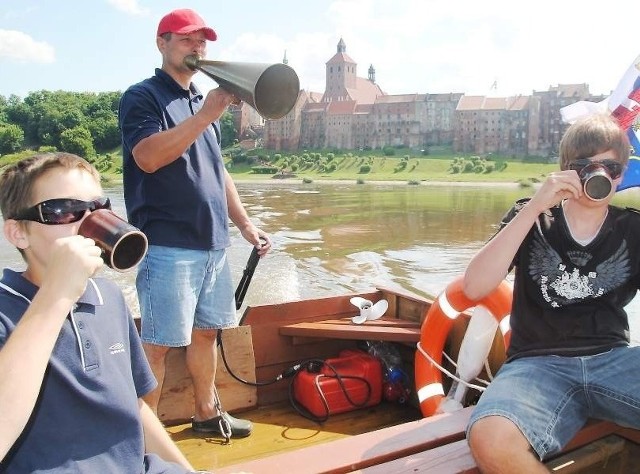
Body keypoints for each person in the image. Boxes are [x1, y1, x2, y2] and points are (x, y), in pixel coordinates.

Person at [118, 8, 271, 438]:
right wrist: (206, 115)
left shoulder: (200, 102)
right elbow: (147, 158)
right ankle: (142, 441)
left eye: (202, 40)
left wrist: (243, 225)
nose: (197, 47)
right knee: (158, 345)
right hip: (167, 244)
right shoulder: (142, 96)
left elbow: (218, 172)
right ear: (162, 43)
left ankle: (206, 414)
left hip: (214, 244)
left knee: (206, 335)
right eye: (186, 39)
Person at [464, 113, 640, 473]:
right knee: (490, 438)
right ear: (565, 170)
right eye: (586, 165)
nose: (600, 174)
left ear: (621, 174)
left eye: (611, 166)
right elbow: (474, 287)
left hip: (613, 360)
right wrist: (533, 207)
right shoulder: (533, 219)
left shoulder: (633, 229)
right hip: (535, 366)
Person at [0, 152, 196, 473]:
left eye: (98, 208)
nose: (89, 222)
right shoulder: (5, 309)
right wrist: (56, 295)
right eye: (64, 211)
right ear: (18, 233)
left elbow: (133, 408)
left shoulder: (109, 297)